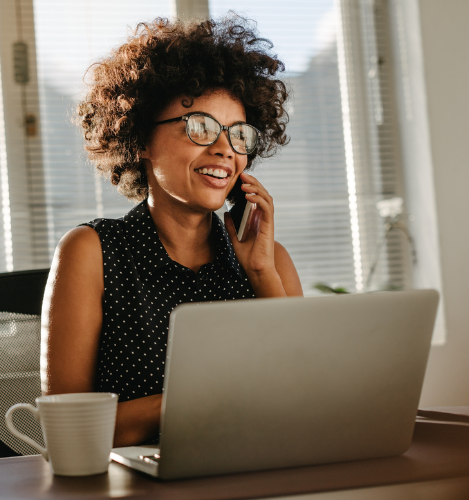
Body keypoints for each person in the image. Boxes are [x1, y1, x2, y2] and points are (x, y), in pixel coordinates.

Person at [40, 15, 303, 447]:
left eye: (239, 134)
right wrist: (201, 399)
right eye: (200, 127)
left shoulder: (269, 261)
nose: (224, 149)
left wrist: (262, 276)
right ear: (141, 138)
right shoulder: (92, 252)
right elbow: (66, 431)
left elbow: (307, 401)